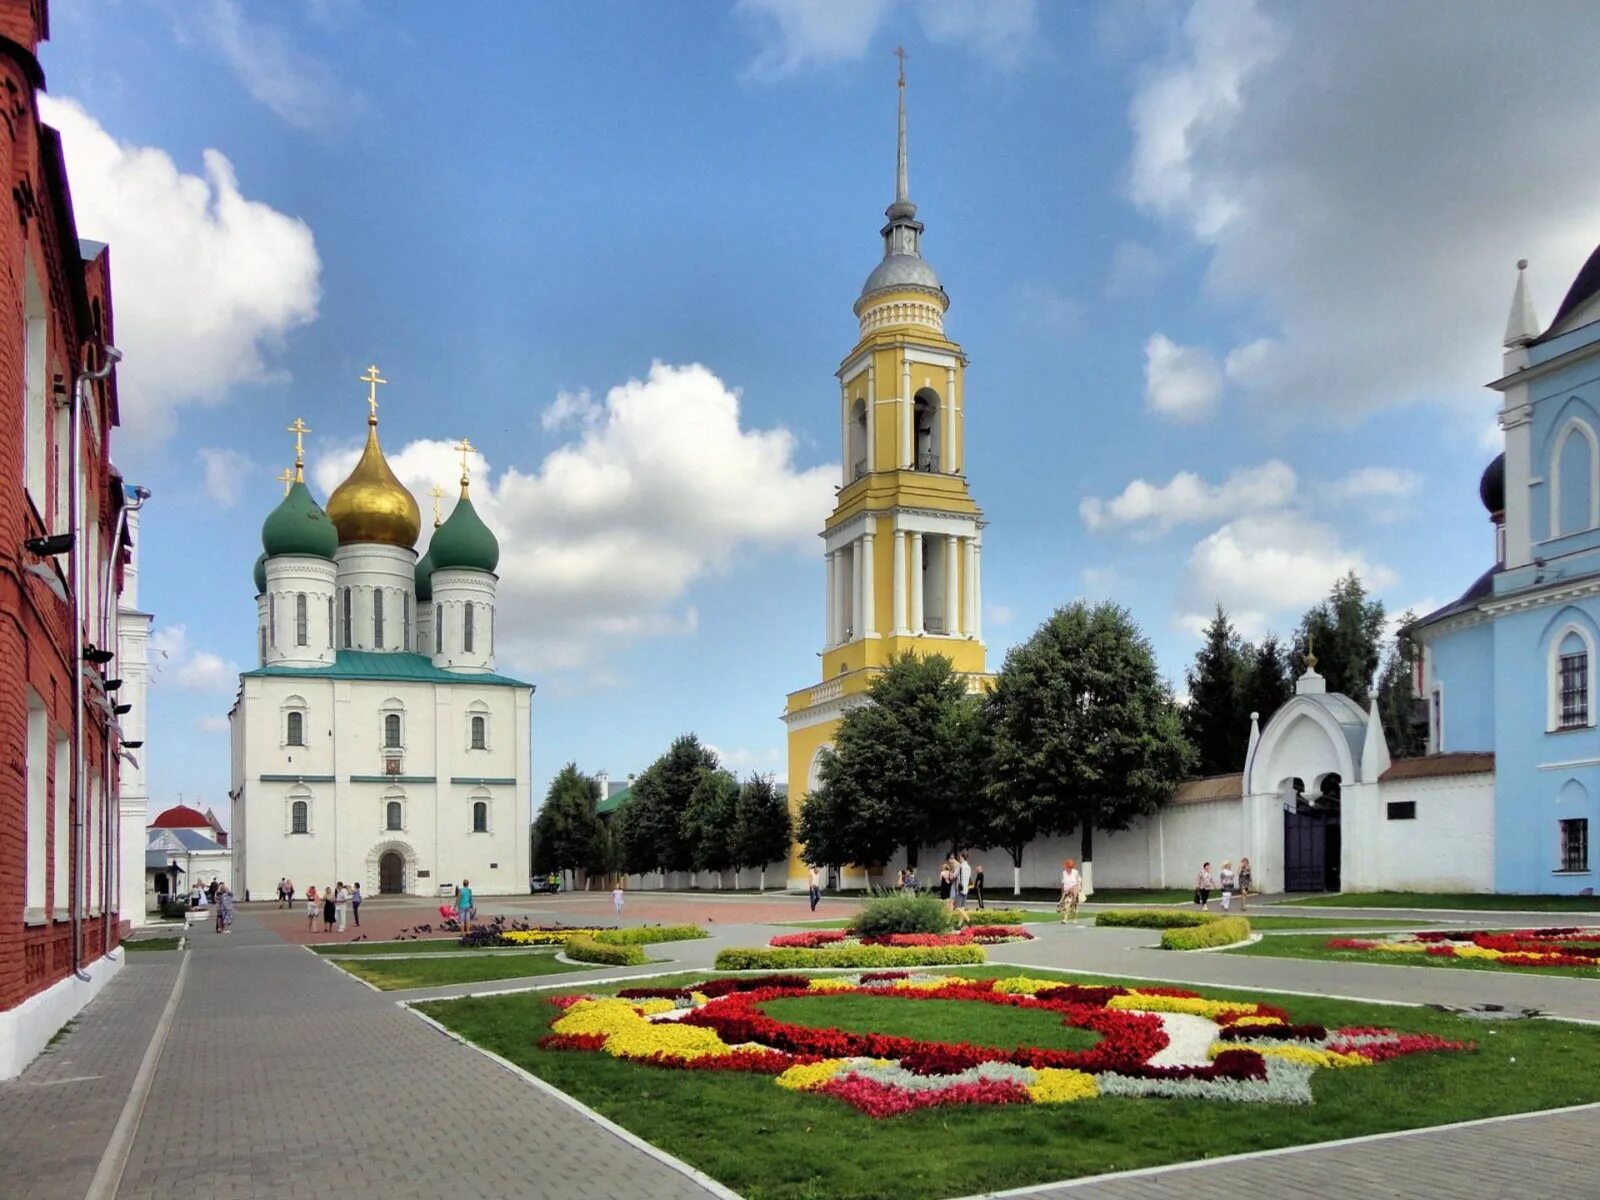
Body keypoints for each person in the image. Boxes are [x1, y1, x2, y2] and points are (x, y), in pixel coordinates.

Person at [1059, 858, 1083, 925]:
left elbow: (1079, 881)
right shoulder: (1064, 873)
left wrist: (1078, 889)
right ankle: (1065, 919)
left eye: (1069, 867)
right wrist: (1062, 892)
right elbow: (1063, 883)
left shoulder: (1075, 872)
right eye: (1067, 866)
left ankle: (1074, 918)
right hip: (1066, 892)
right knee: (1067, 903)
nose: (1067, 868)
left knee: (1074, 905)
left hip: (1074, 891)